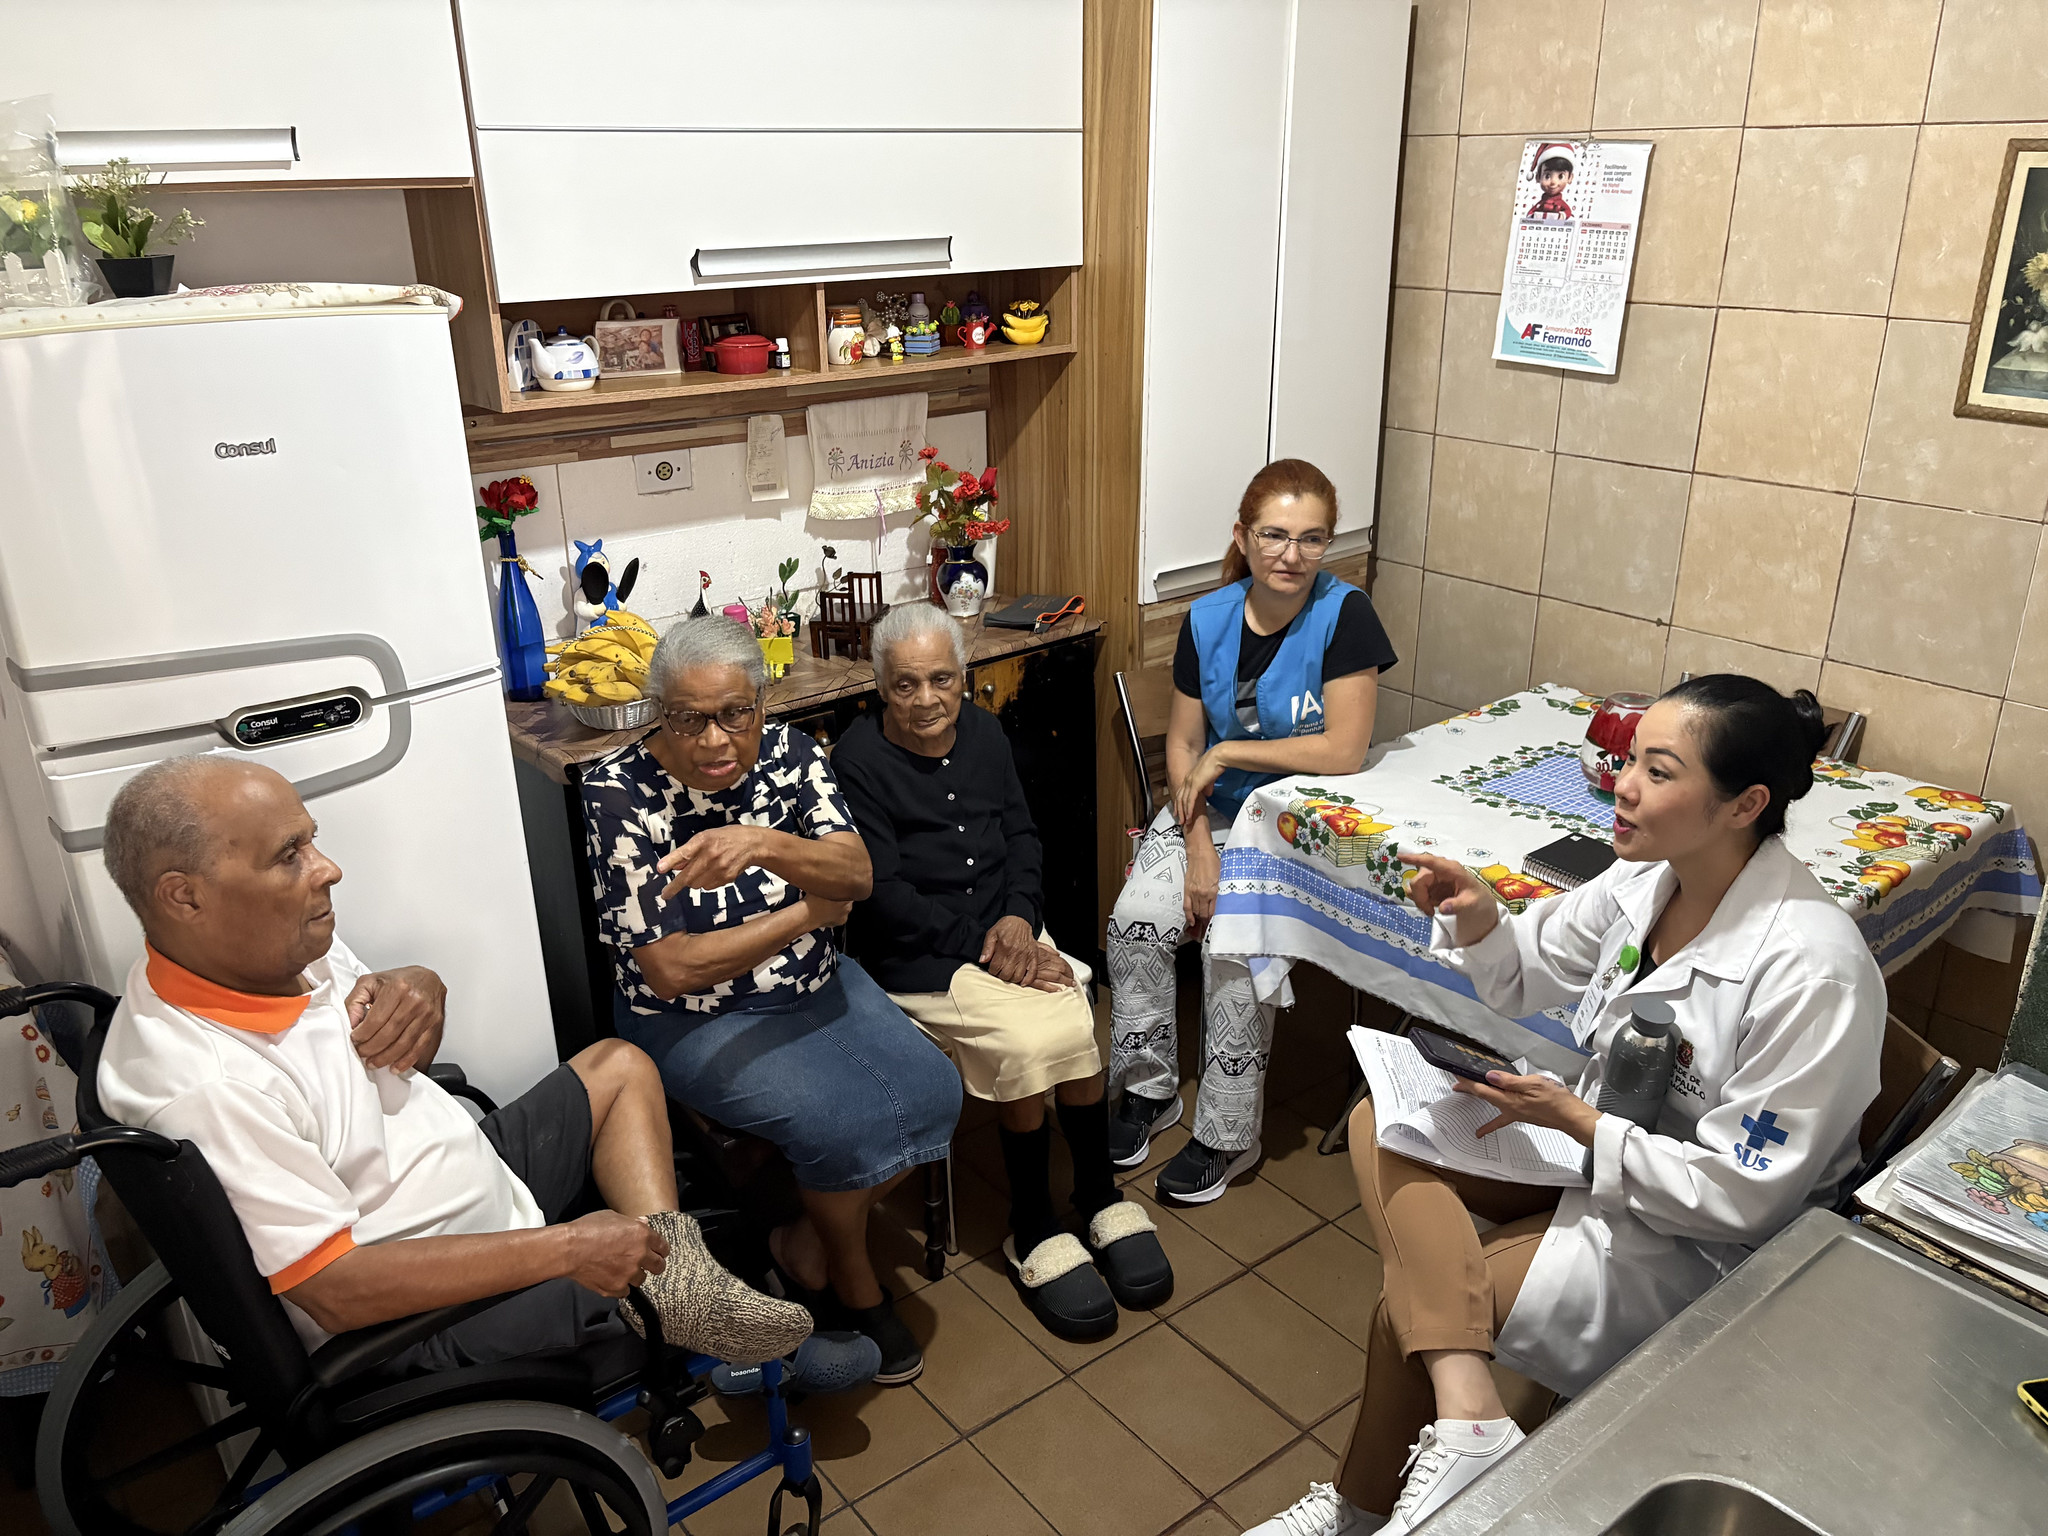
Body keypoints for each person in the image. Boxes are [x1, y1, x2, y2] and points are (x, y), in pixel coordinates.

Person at [1249, 676, 1885, 1536]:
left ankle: (1363, 1509)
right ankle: (1469, 1424)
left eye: (1658, 772)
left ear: (1746, 805)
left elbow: (1747, 1198)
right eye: (1629, 761)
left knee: (1418, 1310)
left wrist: (1581, 1122)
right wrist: (1482, 920)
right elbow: (1526, 968)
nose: (1623, 786)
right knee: (1383, 1121)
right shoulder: (1645, 879)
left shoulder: (1813, 971)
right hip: (1599, 1153)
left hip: (1714, 1246)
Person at [94, 756, 815, 1374]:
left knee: (618, 1067)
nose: (328, 868)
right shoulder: (207, 1084)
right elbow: (337, 1290)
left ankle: (684, 1290)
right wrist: (567, 1248)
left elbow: (375, 1048)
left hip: (463, 1180)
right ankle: (718, 1337)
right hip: (420, 1311)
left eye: (312, 840)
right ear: (183, 896)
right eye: (289, 856)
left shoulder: (265, 951)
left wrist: (421, 986)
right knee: (625, 1276)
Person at [582, 616, 961, 1386]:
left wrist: (760, 843)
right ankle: (852, 1276)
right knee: (840, 1126)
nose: (714, 740)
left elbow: (855, 875)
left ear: (761, 703)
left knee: (937, 1094)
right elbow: (670, 970)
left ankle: (804, 1244)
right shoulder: (617, 792)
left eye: (735, 713)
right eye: (688, 718)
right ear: (659, 712)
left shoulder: (791, 753)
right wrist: (803, 915)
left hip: (816, 983)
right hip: (695, 1020)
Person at [834, 605, 1173, 1339]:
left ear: (964, 677)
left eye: (941, 679)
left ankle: (1098, 1195)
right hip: (923, 953)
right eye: (905, 685)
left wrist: (1020, 919)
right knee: (1026, 1041)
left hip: (1007, 928)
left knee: (1074, 1016)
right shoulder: (857, 760)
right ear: (880, 687)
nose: (926, 699)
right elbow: (884, 894)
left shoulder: (986, 733)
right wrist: (991, 946)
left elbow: (1022, 834)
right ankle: (1034, 1222)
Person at [1110, 458, 1396, 1204]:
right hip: (1211, 812)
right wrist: (1198, 844)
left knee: (1232, 947)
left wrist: (1228, 753)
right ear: (1242, 536)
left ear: (1327, 543)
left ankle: (1229, 1135)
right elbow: (1182, 744)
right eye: (1273, 535)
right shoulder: (1207, 618)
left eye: (1311, 538)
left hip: (1299, 827)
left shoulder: (1346, 614)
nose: (1290, 555)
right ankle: (1146, 1089)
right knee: (1137, 921)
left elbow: (1344, 749)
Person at [1525, 142, 1575, 220]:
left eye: (1560, 176)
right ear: (1538, 177)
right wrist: (1531, 216)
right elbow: (1532, 212)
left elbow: (1567, 212)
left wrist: (1562, 216)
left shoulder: (1560, 204)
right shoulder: (1541, 203)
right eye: (1547, 176)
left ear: (1570, 178)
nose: (1553, 182)